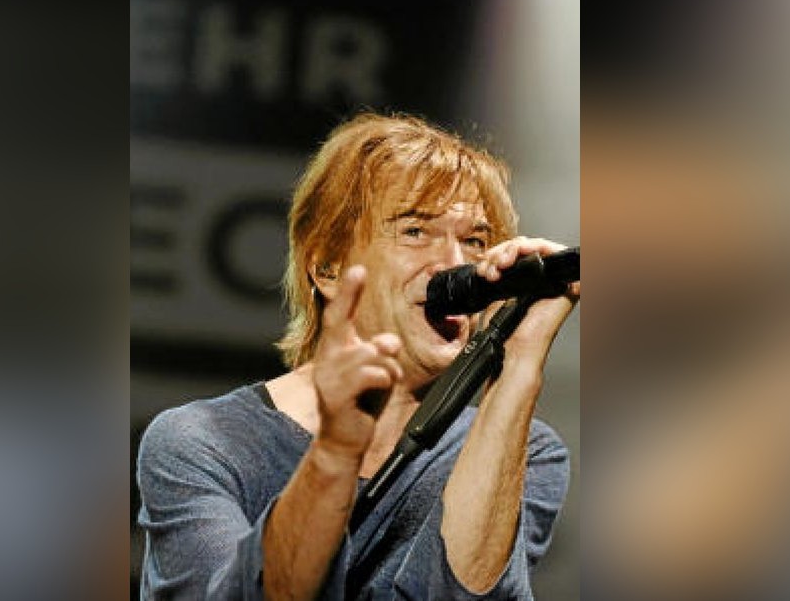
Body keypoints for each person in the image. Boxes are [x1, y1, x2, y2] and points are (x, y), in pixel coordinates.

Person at [135, 113, 579, 599]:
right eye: (415, 231)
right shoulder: (202, 444)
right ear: (327, 266)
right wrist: (335, 453)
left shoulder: (530, 452)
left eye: (475, 241)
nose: (457, 264)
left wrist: (518, 360)